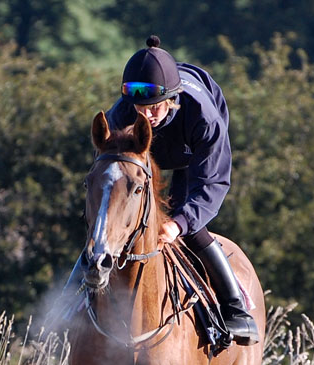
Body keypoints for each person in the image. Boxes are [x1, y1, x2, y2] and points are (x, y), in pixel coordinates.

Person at [64, 35, 259, 346]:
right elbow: (110, 179)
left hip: (191, 154)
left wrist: (179, 223)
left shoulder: (203, 118)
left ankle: (235, 306)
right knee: (110, 226)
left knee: (186, 221)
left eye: (154, 108)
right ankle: (68, 299)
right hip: (141, 160)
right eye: (139, 107)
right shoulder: (120, 117)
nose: (146, 115)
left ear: (171, 100)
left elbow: (212, 183)